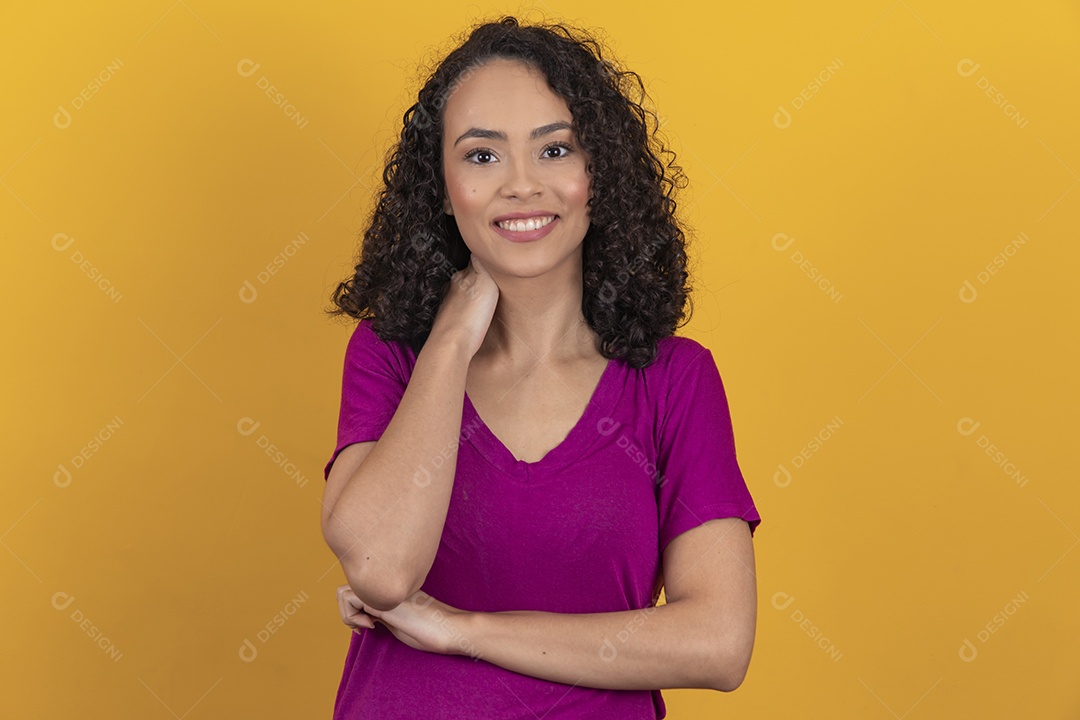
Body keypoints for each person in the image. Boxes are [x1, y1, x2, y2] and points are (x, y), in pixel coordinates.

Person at [320, 15, 761, 719]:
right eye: (483, 157)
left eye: (555, 150)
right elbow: (379, 568)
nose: (522, 185)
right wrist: (452, 337)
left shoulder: (675, 381)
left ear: (599, 175)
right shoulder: (393, 357)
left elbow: (717, 642)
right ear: (440, 187)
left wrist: (462, 630)